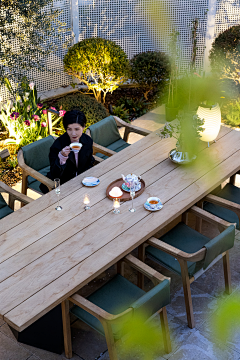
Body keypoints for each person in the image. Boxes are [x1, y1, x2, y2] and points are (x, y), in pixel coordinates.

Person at [40, 109, 94, 193]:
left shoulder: (88, 141)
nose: (73, 133)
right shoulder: (57, 145)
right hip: (63, 184)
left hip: (82, 182)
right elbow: (55, 174)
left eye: (77, 129)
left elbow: (89, 160)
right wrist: (62, 157)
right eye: (69, 129)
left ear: (83, 127)